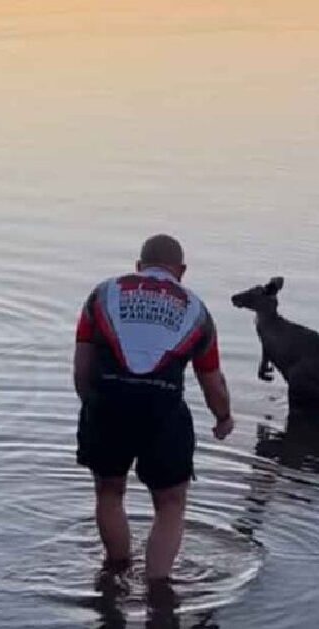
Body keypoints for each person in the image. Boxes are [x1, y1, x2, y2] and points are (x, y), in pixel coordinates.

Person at [73, 234, 234, 595]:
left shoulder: (102, 295)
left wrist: (94, 407)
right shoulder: (196, 310)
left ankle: (116, 572)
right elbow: (212, 381)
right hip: (163, 411)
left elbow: (82, 367)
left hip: (107, 404)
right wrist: (223, 417)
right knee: (171, 503)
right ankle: (158, 590)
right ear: (182, 271)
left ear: (138, 266)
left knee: (110, 492)